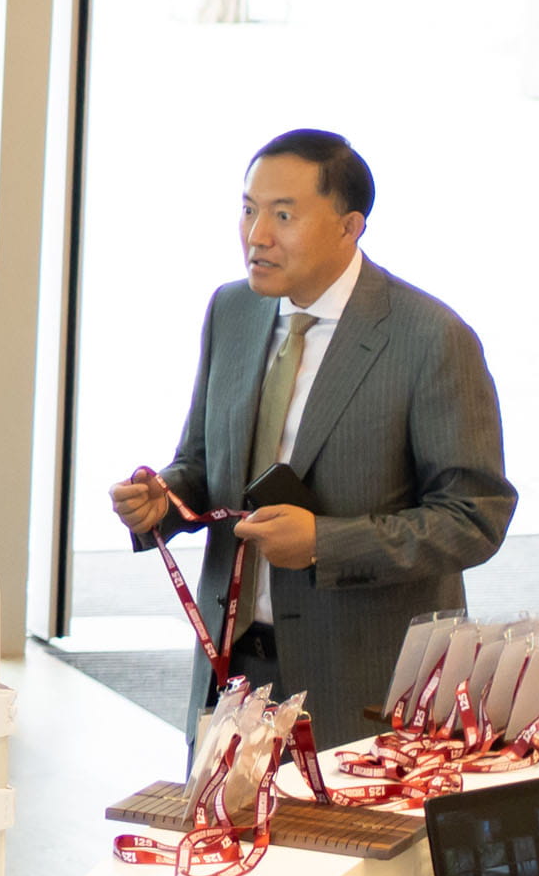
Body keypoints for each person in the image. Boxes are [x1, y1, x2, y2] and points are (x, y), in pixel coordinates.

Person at [105, 129, 514, 745]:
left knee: (335, 845)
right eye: (248, 209)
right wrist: (166, 499)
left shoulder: (430, 338)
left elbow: (475, 518)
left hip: (358, 680)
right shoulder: (232, 310)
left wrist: (325, 542)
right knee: (220, 841)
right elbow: (202, 460)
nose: (256, 235)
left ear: (350, 227)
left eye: (284, 215)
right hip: (231, 665)